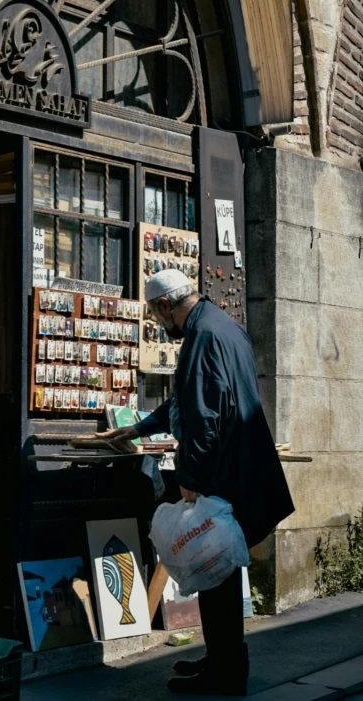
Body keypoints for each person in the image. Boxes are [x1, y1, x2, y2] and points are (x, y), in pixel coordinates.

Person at [99, 270, 294, 696]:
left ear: (166, 306)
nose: (159, 323)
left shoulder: (202, 335)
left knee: (214, 571)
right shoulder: (220, 325)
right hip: (238, 468)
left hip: (224, 473)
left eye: (156, 314)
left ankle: (225, 674)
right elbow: (189, 397)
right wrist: (136, 429)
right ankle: (222, 661)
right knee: (217, 570)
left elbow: (204, 417)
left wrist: (192, 477)